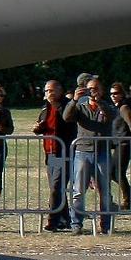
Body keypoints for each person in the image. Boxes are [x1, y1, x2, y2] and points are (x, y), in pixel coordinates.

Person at [63, 76, 115, 234]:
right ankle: (76, 224)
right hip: (82, 152)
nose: (93, 92)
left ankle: (105, 225)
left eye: (96, 88)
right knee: (78, 190)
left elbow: (111, 117)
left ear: (102, 90)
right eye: (90, 89)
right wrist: (74, 100)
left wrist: (99, 102)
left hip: (102, 153)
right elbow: (66, 117)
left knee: (105, 191)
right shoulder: (80, 106)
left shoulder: (106, 106)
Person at [32, 80, 77, 231]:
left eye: (51, 91)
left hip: (63, 152)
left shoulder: (66, 105)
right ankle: (65, 219)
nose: (48, 94)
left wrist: (55, 106)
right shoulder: (45, 107)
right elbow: (42, 125)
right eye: (46, 91)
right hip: (49, 153)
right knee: (56, 189)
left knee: (56, 188)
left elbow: (66, 120)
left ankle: (53, 221)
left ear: (60, 91)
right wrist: (37, 128)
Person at [106, 82, 131, 209]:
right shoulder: (115, 107)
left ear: (122, 94)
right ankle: (130, 195)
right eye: (111, 94)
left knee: (118, 172)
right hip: (118, 144)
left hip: (125, 143)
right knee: (114, 173)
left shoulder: (124, 108)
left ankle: (128, 198)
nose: (113, 96)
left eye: (116, 93)